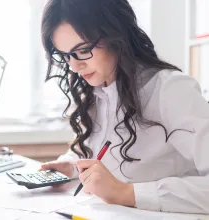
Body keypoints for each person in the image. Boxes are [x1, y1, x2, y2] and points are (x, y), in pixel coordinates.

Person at [39, 0, 209, 214]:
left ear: (116, 36)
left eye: (82, 50)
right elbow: (103, 155)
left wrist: (125, 192)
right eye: (65, 56)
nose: (74, 66)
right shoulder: (94, 93)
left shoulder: (170, 90)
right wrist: (72, 166)